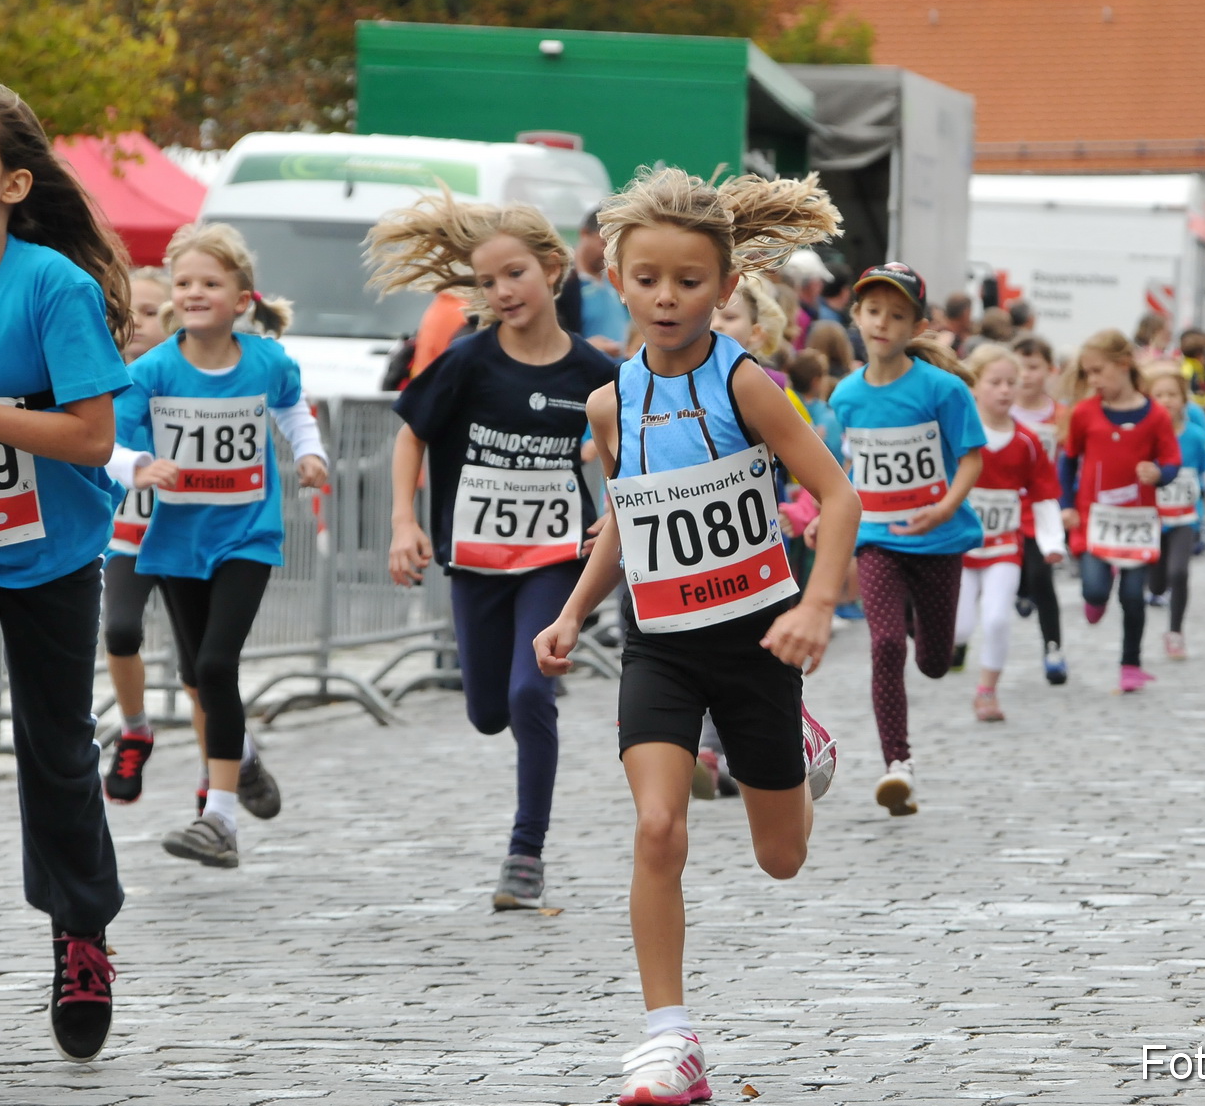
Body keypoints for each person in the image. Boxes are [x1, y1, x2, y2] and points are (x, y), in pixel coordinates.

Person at [531, 167, 856, 1106]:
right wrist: (570, 611)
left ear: (722, 286)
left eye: (687, 280)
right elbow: (625, 522)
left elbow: (838, 496)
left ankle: (799, 744)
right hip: (662, 642)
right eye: (645, 279)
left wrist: (813, 605)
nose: (665, 297)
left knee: (780, 856)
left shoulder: (744, 384)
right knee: (658, 825)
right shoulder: (609, 406)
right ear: (617, 280)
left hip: (759, 639)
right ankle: (668, 1041)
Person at [0, 78, 130, 1060]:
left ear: (11, 183)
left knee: (57, 747)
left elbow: (91, 439)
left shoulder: (53, 287)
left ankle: (79, 934)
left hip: (52, 546)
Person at [373, 191, 618, 910]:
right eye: (486, 282)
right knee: (486, 708)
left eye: (514, 274)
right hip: (476, 562)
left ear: (551, 269)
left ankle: (525, 853)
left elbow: (624, 448)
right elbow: (410, 431)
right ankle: (513, 735)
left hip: (553, 560)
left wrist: (614, 510)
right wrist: (402, 521)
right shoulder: (466, 361)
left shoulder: (590, 373)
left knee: (527, 691)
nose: (501, 291)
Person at [118, 222, 327, 866]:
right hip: (177, 538)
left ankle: (221, 821)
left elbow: (292, 408)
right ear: (171, 298)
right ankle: (247, 759)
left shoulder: (265, 360)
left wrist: (309, 453)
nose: (195, 292)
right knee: (196, 674)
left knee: (214, 666)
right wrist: (138, 468)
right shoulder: (153, 369)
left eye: (211, 282)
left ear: (242, 299)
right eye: (184, 283)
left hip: (247, 536)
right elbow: (111, 445)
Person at [829, 263, 984, 814]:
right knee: (886, 644)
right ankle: (899, 763)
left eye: (897, 316)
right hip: (878, 538)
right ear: (857, 317)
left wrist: (944, 508)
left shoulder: (942, 389)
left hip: (938, 539)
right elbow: (848, 464)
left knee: (934, 662)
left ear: (915, 326)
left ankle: (921, 618)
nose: (882, 324)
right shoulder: (846, 396)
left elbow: (971, 456)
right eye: (873, 312)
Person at [100, 267, 181, 804]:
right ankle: (135, 728)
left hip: (187, 538)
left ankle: (226, 765)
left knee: (205, 663)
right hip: (127, 539)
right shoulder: (103, 379)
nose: (140, 324)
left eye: (152, 313)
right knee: (120, 632)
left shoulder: (186, 379)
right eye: (130, 313)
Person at [1062, 329, 1181, 693]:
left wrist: (1159, 473)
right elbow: (1067, 463)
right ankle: (1094, 600)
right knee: (1096, 588)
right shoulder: (1084, 413)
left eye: (1098, 372)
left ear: (1124, 365)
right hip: (1095, 519)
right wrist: (1066, 506)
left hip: (1138, 520)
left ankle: (1131, 664)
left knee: (1133, 595)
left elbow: (1173, 460)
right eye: (1088, 374)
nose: (1093, 381)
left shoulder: (1156, 415)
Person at [951, 344, 1063, 721]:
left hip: (1004, 547)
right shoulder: (956, 434)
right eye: (995, 382)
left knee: (998, 618)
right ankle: (949, 646)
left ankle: (987, 692)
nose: (1004, 390)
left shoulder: (1027, 442)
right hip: (961, 548)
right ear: (975, 386)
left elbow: (1045, 494)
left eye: (1011, 383)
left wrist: (1052, 543)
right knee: (961, 628)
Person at [1143, 365, 1205, 659]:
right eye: (1159, 394)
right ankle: (1156, 589)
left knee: (1179, 572)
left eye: (1172, 394)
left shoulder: (1195, 436)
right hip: (1153, 517)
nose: (1166, 400)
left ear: (1184, 399)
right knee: (1158, 581)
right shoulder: (1145, 437)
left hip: (1186, 515)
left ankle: (1175, 632)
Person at [1009, 335, 1070, 683]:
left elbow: (1069, 462)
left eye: (1033, 367)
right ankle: (1021, 593)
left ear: (1049, 370)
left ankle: (1053, 648)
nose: (1026, 375)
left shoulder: (1060, 415)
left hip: (1041, 506)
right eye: (1019, 368)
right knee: (1012, 573)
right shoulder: (1000, 408)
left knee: (1042, 575)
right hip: (1003, 507)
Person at [555, 209, 629, 359]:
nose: (607, 252)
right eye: (603, 243)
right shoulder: (563, 285)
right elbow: (549, 343)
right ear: (584, 234)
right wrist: (585, 346)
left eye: (613, 247)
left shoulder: (616, 279)